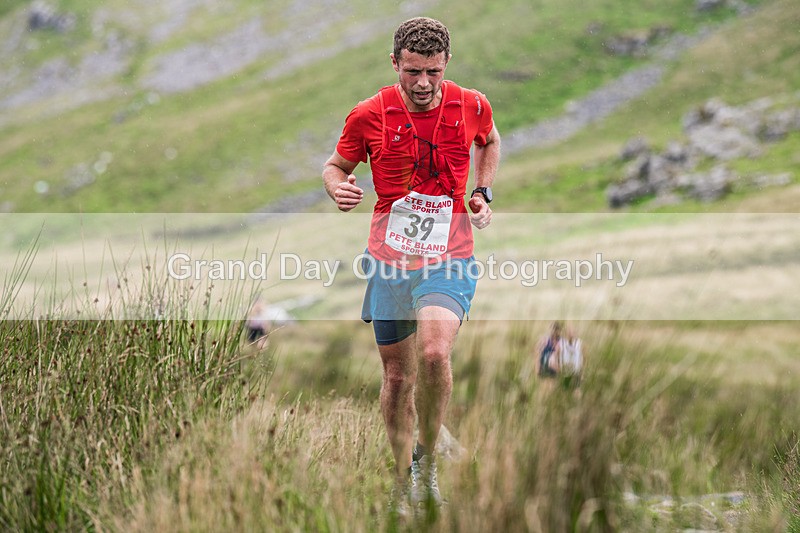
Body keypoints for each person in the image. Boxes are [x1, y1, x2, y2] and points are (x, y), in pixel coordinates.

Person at [322, 17, 501, 516]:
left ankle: (426, 464)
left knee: (434, 354)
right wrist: (338, 186)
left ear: (447, 66)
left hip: (450, 256)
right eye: (414, 72)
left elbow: (489, 140)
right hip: (389, 260)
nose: (424, 84)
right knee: (398, 378)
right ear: (395, 63)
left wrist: (483, 193)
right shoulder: (369, 114)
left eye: (434, 73)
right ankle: (402, 477)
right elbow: (335, 166)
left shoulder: (471, 103)